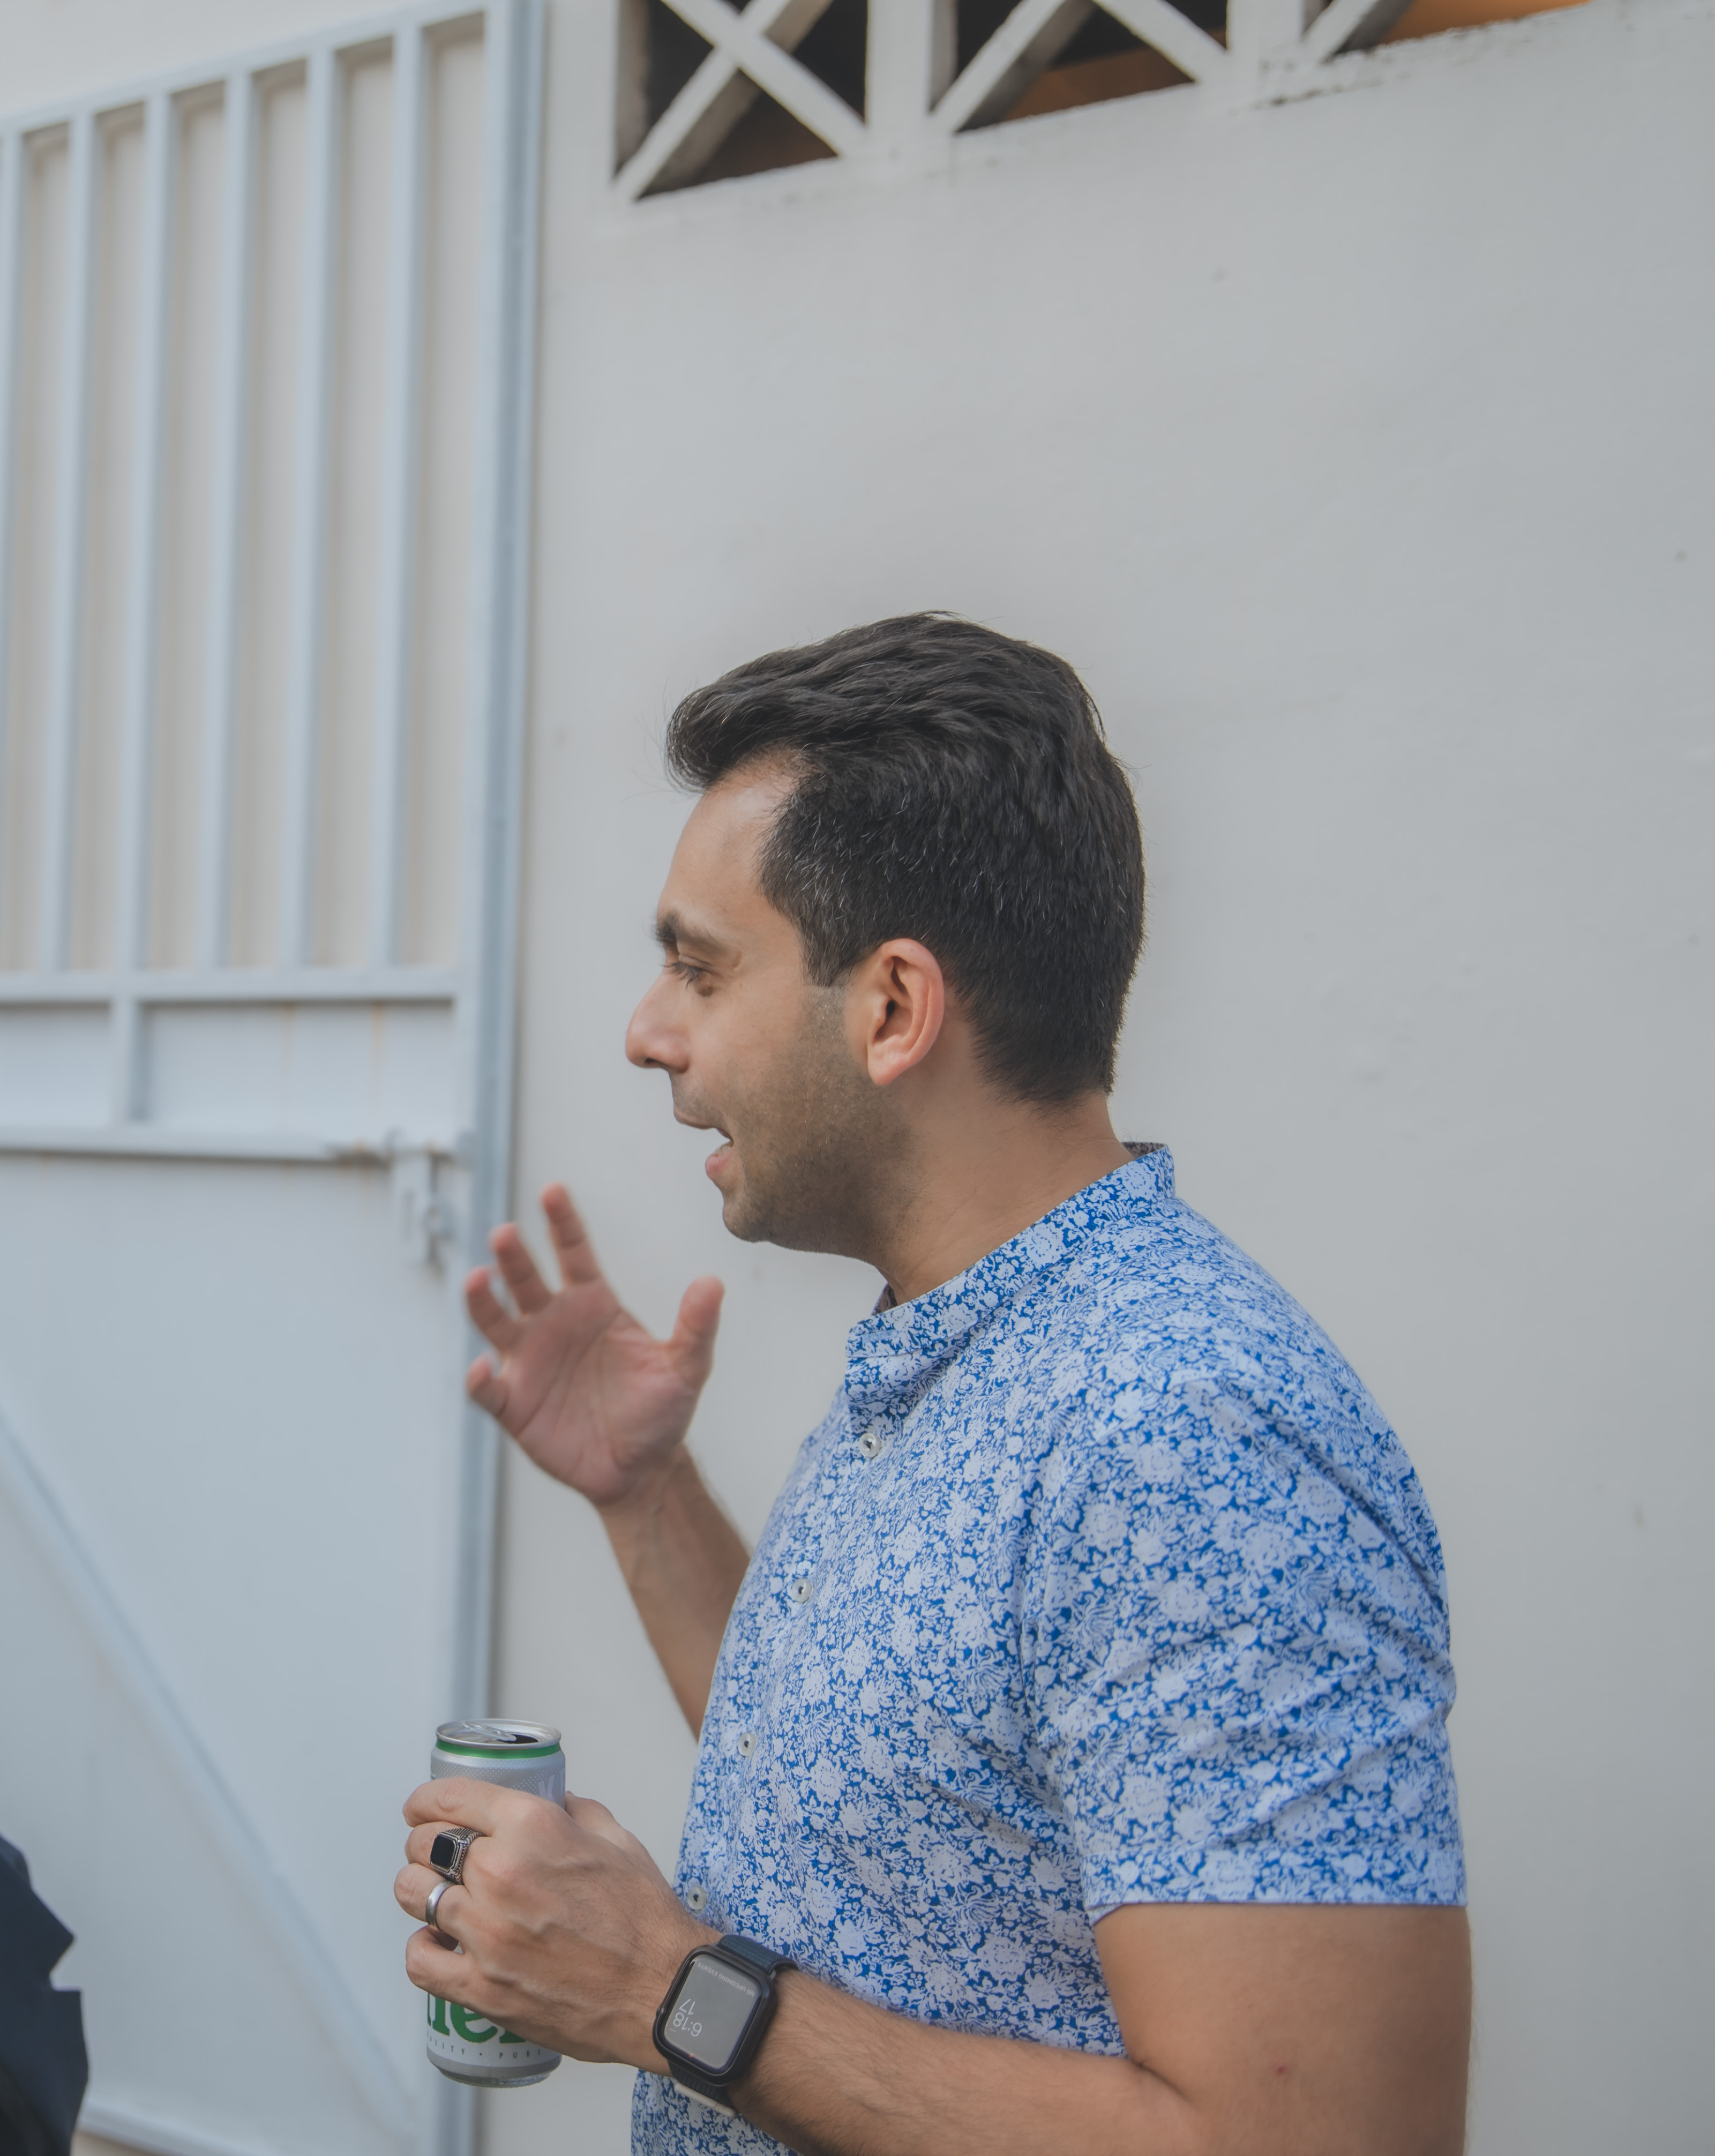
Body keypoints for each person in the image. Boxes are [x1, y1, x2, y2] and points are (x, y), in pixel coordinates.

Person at [393, 617, 1471, 2154]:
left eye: (699, 969)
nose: (648, 1033)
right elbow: (889, 1812)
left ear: (893, 1008)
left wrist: (664, 1989)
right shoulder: (971, 1345)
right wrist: (646, 1493)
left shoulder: (1179, 1426)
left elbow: (1319, 2143)